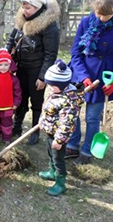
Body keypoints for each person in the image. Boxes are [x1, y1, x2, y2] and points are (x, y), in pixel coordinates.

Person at [65, 0, 113, 165]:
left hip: (104, 77)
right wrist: (82, 76)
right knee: (72, 112)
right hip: (81, 74)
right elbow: (75, 53)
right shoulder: (86, 22)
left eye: (105, 15)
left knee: (92, 117)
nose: (101, 18)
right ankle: (72, 145)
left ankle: (87, 150)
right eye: (98, 13)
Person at [5, 0, 60, 145]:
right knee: (20, 98)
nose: (24, 10)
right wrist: (6, 55)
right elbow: (11, 40)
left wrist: (43, 77)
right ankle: (17, 126)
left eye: (28, 7)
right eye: (23, 7)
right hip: (21, 67)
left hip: (37, 69)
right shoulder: (21, 20)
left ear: (38, 7)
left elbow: (50, 54)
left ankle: (35, 131)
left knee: (36, 102)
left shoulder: (49, 25)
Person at [38, 59, 85, 196]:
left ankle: (60, 183)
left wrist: (59, 141)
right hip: (50, 131)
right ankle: (52, 172)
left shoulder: (68, 102)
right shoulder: (56, 92)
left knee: (58, 159)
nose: (49, 88)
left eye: (52, 85)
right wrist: (42, 120)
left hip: (59, 135)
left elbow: (67, 124)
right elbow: (47, 109)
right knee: (50, 153)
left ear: (63, 85)